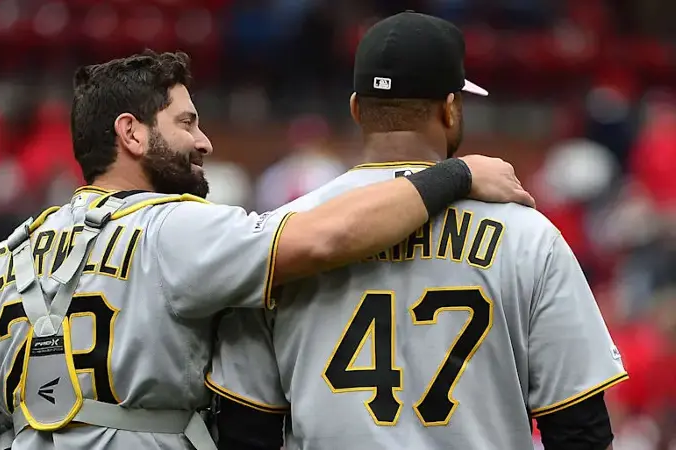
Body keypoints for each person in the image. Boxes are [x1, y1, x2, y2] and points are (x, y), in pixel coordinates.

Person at [0, 50, 532, 450]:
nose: (205, 141)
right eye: (187, 121)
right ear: (130, 133)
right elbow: (327, 236)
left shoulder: (6, 254)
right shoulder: (178, 231)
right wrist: (457, 175)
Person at [207, 12, 627, 450]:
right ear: (450, 108)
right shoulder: (528, 233)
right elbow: (581, 429)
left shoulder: (284, 238)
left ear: (356, 109)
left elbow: (246, 428)